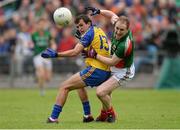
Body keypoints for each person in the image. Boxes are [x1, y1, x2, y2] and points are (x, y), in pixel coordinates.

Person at [41, 14, 111, 123]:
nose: (79, 28)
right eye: (77, 26)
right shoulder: (97, 29)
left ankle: (53, 118)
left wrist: (56, 54)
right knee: (79, 86)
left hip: (97, 70)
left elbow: (75, 52)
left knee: (64, 86)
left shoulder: (88, 34)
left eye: (82, 25)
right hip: (105, 70)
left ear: (88, 24)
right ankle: (87, 116)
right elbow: (95, 46)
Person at [84, 7, 135, 122]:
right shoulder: (118, 24)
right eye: (117, 28)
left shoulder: (125, 45)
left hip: (124, 71)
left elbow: (112, 61)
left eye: (121, 30)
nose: (117, 32)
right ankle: (103, 115)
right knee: (106, 92)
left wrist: (95, 55)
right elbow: (112, 15)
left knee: (100, 92)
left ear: (127, 30)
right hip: (115, 66)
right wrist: (99, 11)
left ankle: (111, 114)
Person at [31, 18, 56, 96]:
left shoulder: (48, 34)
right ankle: (41, 89)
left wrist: (53, 47)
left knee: (48, 78)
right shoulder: (33, 35)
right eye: (40, 24)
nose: (41, 26)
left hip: (46, 55)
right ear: (37, 25)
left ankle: (37, 75)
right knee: (41, 74)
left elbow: (52, 43)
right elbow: (31, 44)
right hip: (37, 55)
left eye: (43, 24)